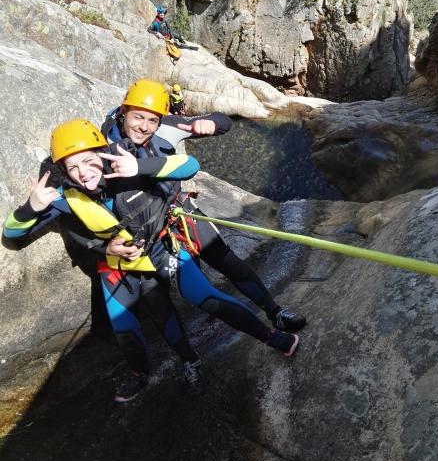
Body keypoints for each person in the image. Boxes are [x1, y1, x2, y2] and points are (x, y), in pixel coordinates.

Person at [3, 120, 299, 402]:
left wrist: (141, 166)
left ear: (100, 154)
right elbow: (11, 234)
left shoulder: (128, 165)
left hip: (160, 247)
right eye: (73, 167)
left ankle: (271, 337)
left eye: (88, 161)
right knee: (128, 327)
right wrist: (32, 207)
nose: (83, 173)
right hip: (118, 265)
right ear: (64, 172)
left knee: (206, 298)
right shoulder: (64, 198)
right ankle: (173, 366)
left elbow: (189, 166)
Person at [102, 79, 307, 334]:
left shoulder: (165, 126)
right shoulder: (103, 147)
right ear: (123, 112)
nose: (144, 127)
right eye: (138, 117)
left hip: (179, 212)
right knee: (176, 290)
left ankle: (274, 312)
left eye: (151, 120)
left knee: (227, 261)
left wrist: (209, 124)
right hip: (148, 231)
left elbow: (224, 121)